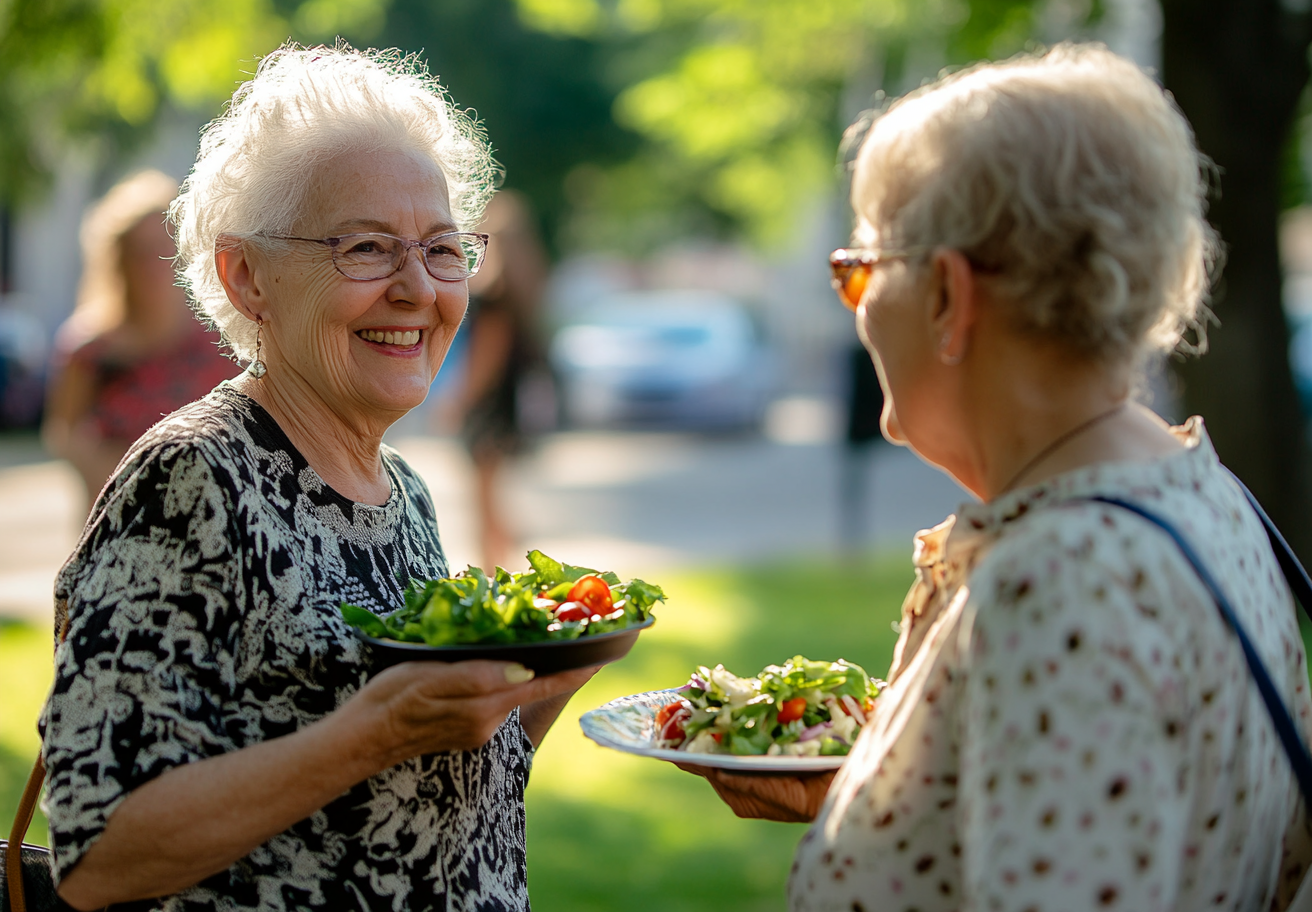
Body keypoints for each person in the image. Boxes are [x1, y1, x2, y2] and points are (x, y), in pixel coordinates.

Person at [682, 44, 1312, 910]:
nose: (856, 308)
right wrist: (891, 797)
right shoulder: (1205, 492)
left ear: (946, 293)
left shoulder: (1060, 583)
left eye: (858, 270)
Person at [39, 44, 593, 912]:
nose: (419, 289)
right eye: (368, 249)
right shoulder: (194, 479)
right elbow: (100, 853)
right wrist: (372, 733)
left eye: (444, 250)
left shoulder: (399, 488)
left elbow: (420, 803)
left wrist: (538, 685)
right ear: (248, 276)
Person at [42, 170, 237, 505]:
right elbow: (63, 435)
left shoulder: (220, 340)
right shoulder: (90, 349)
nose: (153, 265)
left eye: (163, 250)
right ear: (117, 261)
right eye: (140, 252)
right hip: (120, 515)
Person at [457, 190, 549, 572]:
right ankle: (501, 562)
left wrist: (461, 398)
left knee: (483, 495)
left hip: (491, 401)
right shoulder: (527, 285)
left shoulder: (494, 292)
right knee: (493, 490)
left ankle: (493, 569)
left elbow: (488, 352)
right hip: (513, 397)